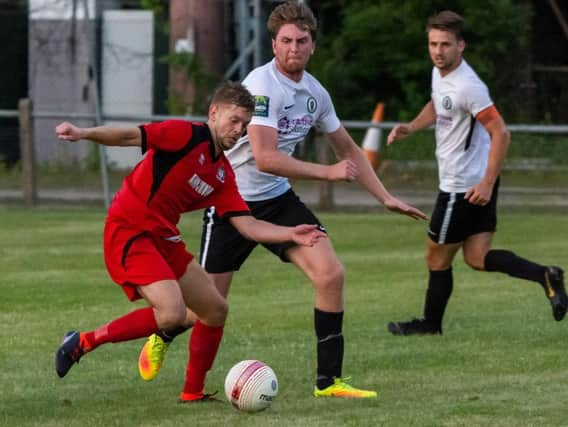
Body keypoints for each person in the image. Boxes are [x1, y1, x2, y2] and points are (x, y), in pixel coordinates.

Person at [138, 1, 427, 399]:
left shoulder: (315, 93)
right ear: (274, 45)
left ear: (313, 46)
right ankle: (162, 333)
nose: (294, 47)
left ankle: (329, 382)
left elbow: (350, 150)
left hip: (277, 201)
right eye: (286, 40)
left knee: (331, 275)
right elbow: (265, 157)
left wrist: (385, 197)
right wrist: (327, 173)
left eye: (302, 40)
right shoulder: (261, 87)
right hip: (231, 204)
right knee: (203, 308)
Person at [53, 81, 326, 403]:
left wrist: (290, 233)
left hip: (164, 236)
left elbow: (248, 225)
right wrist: (84, 133)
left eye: (245, 125)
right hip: (130, 228)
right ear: (214, 113)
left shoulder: (222, 173)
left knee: (215, 310)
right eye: (234, 120)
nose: (238, 130)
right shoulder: (185, 135)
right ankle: (84, 341)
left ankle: (192, 392)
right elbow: (130, 136)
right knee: (170, 313)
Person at [386, 10, 567, 336]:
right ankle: (546, 276)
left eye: (445, 44)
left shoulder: (469, 86)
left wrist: (485, 183)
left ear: (461, 46)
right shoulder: (439, 74)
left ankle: (430, 325)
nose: (438, 51)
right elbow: (437, 104)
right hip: (477, 184)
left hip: (463, 188)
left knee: (436, 259)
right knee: (477, 257)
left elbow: (502, 132)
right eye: (433, 44)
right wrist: (411, 127)